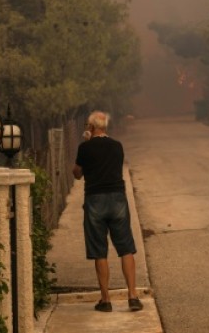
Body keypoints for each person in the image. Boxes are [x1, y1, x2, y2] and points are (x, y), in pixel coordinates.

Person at [73, 110, 143, 312]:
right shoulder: (117, 146)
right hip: (117, 199)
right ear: (105, 126)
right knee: (126, 247)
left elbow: (77, 174)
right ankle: (133, 296)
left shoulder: (84, 148)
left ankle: (106, 300)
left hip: (95, 200)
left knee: (99, 250)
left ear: (91, 127)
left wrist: (86, 143)